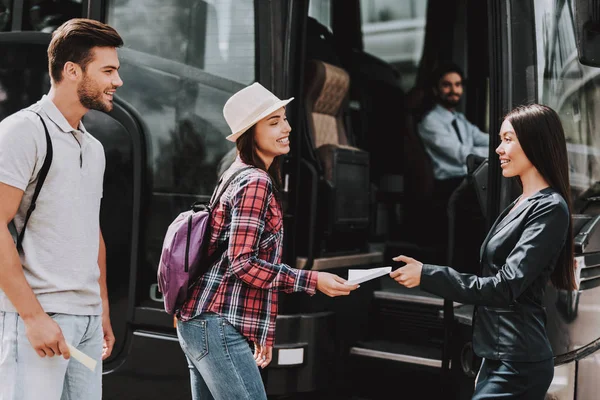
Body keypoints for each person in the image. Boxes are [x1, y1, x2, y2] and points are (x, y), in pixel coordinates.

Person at [176, 82, 359, 400]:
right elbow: (243, 264)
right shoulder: (255, 182)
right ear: (250, 133)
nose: (286, 128)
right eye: (273, 122)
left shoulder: (236, 173)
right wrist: (312, 280)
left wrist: (260, 332)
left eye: (284, 118)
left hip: (201, 323)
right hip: (216, 325)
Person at [391, 103, 576, 399]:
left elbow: (505, 287)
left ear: (535, 142)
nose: (498, 150)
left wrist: (428, 275)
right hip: (496, 356)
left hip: (518, 363)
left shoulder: (549, 208)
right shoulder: (520, 203)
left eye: (507, 139)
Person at [0, 19, 123, 400]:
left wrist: (100, 307)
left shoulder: (94, 147)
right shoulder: (23, 132)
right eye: (108, 70)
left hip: (85, 321)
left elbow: (91, 232)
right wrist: (34, 318)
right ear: (72, 71)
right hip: (39, 318)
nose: (117, 81)